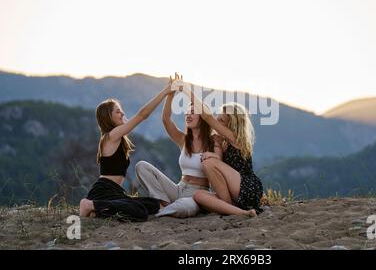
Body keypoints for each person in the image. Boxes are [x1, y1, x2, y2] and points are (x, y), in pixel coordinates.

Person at [79, 77, 178, 222]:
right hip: (104, 191)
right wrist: (165, 91)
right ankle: (90, 204)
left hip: (116, 193)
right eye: (118, 112)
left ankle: (98, 211)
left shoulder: (116, 137)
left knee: (152, 204)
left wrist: (171, 94)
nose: (123, 114)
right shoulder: (111, 136)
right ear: (109, 117)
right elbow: (142, 115)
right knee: (139, 212)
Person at [135, 74, 222, 217]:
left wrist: (186, 90)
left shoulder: (214, 141)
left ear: (203, 117)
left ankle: (165, 209)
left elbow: (218, 161)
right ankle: (165, 204)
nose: (188, 115)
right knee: (141, 166)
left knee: (184, 207)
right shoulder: (183, 139)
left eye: (193, 112)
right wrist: (171, 92)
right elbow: (166, 119)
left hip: (198, 193)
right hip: (178, 189)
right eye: (187, 112)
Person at [180, 82, 263, 217]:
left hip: (247, 188)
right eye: (217, 119)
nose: (217, 124)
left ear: (232, 125)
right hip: (232, 192)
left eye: (221, 121)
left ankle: (229, 206)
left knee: (207, 161)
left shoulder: (236, 139)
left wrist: (186, 90)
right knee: (198, 195)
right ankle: (240, 212)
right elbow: (218, 159)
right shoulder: (222, 140)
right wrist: (217, 146)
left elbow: (207, 117)